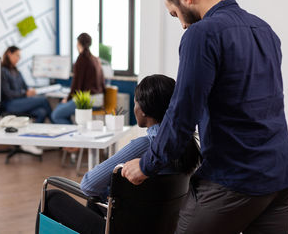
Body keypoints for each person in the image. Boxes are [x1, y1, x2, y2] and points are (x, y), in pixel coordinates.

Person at [121, 0, 288, 234]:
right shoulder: (264, 29)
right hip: (282, 176)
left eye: (175, 14)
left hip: (235, 180)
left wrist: (147, 165)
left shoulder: (201, 33)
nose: (182, 24)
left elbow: (183, 111)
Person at [35, 75, 198, 234]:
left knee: (51, 195)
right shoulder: (188, 146)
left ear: (143, 110)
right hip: (157, 227)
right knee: (95, 201)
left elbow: (88, 184)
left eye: (135, 102)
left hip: (122, 229)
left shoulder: (144, 146)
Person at [50, 33, 105, 124]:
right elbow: (102, 82)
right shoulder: (95, 59)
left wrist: (67, 99)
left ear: (78, 44)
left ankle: (72, 133)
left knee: (55, 115)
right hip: (99, 99)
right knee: (60, 107)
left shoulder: (82, 59)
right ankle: (73, 131)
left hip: (88, 100)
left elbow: (76, 85)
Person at [1, 46, 52, 123]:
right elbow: (8, 94)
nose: (19, 58)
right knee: (43, 100)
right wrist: (25, 93)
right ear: (9, 54)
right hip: (10, 104)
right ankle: (56, 123)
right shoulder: (3, 71)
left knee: (42, 112)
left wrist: (30, 91)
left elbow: (25, 87)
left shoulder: (17, 71)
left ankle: (34, 134)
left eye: (19, 56)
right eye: (17, 55)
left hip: (21, 101)